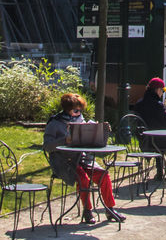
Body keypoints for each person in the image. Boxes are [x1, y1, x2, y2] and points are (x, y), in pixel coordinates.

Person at [43, 92, 123, 224]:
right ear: (67, 110)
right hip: (65, 162)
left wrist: (100, 129)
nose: (78, 113)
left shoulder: (79, 119)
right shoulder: (54, 123)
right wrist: (64, 140)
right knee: (83, 179)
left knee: (103, 175)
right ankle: (87, 211)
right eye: (76, 110)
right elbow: (47, 146)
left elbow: (87, 135)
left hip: (83, 159)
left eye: (80, 110)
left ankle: (110, 209)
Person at [132, 76, 166, 178]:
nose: (162, 94)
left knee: (161, 142)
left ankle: (161, 173)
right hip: (158, 141)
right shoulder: (157, 104)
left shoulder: (139, 103)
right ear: (157, 90)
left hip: (143, 140)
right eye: (162, 91)